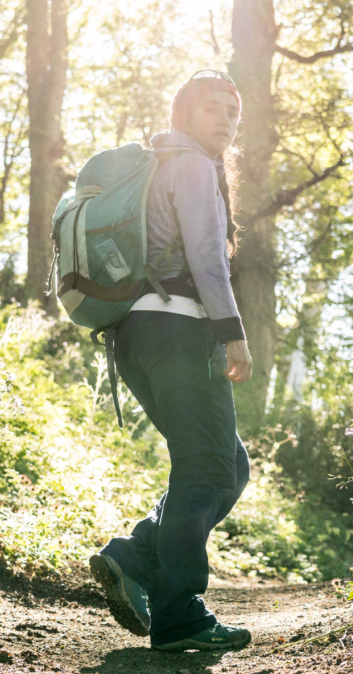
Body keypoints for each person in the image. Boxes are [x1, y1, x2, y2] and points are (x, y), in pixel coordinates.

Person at [88, 70, 254, 654]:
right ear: (185, 114)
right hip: (179, 330)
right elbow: (208, 260)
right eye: (213, 107)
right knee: (207, 469)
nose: (227, 118)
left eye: (233, 110)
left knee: (227, 464)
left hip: (135, 334)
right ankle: (179, 612)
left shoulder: (160, 163)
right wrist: (234, 335)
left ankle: (136, 555)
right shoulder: (189, 165)